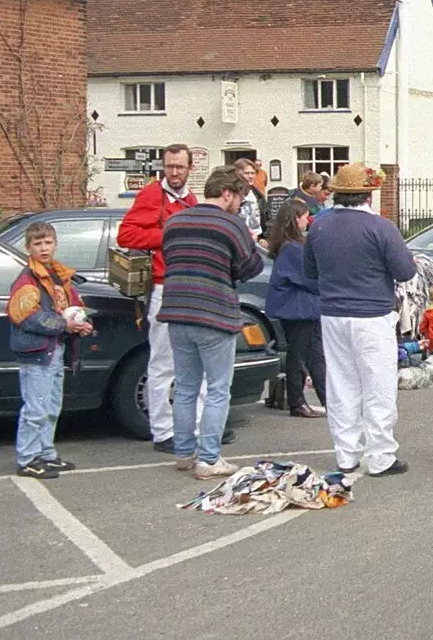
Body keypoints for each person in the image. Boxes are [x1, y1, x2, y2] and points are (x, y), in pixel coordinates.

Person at [116, 144, 233, 452]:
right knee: (163, 363)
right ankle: (163, 430)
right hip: (163, 286)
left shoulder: (191, 199)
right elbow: (126, 235)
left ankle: (202, 426)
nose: (174, 172)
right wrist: (167, 234)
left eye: (180, 167)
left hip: (187, 287)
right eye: (170, 167)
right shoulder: (153, 195)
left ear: (190, 168)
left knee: (197, 368)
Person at [305, 163, 417, 477]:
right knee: (378, 385)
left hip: (332, 314)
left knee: (341, 385)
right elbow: (406, 272)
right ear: (368, 195)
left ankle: (346, 455)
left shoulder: (319, 227)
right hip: (372, 313)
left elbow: (310, 272)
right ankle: (381, 456)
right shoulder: (381, 228)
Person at [158, 167, 264, 480]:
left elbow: (168, 256)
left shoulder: (175, 221)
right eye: (240, 197)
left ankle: (182, 452)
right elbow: (251, 265)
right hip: (215, 312)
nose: (240, 204)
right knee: (218, 388)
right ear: (228, 193)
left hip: (176, 310)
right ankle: (209, 458)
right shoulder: (232, 224)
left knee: (186, 386)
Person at [9, 222, 93, 480]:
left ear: (55, 245)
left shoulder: (56, 275)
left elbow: (69, 305)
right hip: (37, 352)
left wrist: (79, 324)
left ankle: (46, 453)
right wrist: (64, 324)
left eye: (47, 243)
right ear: (28, 248)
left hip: (55, 349)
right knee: (36, 408)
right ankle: (27, 458)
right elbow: (27, 316)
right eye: (37, 244)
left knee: (52, 406)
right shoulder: (27, 280)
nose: (44, 248)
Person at [265, 198, 327, 418]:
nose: (307, 219)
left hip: (299, 308)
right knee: (300, 356)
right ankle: (297, 402)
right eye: (303, 216)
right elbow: (308, 278)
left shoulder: (289, 245)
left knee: (312, 355)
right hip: (298, 309)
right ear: (294, 219)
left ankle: (325, 399)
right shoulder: (292, 248)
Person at [233, 158, 268, 242]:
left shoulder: (258, 195)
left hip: (258, 239)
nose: (251, 176)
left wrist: (266, 238)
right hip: (240, 239)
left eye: (253, 173)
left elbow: (266, 217)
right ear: (237, 174)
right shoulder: (231, 195)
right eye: (247, 173)